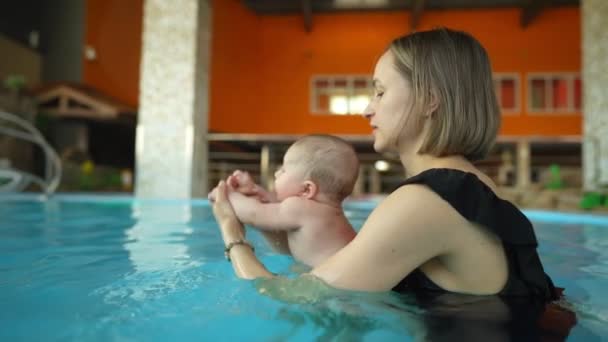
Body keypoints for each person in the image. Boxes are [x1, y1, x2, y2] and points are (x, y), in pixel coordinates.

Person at [210, 27, 559, 303]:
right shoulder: (466, 187)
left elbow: (291, 297)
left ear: (430, 99)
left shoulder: (426, 203)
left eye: (380, 92)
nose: (367, 109)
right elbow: (332, 259)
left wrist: (231, 232)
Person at [209, 135, 358, 267]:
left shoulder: (301, 208)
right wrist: (254, 190)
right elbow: (275, 207)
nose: (276, 173)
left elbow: (255, 214)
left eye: (284, 170)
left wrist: (228, 194)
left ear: (306, 190)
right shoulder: (327, 213)